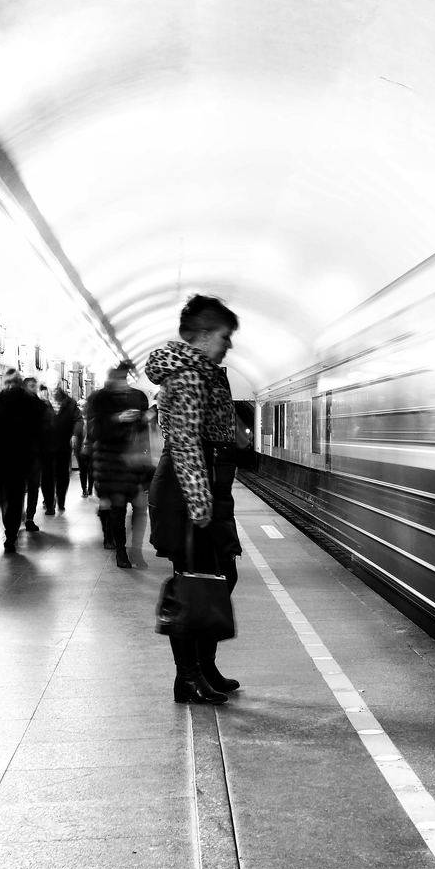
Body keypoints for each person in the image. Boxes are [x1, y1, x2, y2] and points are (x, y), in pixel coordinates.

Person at [146, 294, 254, 704]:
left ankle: (204, 668)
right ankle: (188, 678)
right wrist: (199, 504)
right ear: (205, 335)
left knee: (218, 576)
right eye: (225, 336)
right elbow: (187, 442)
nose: (229, 344)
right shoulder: (190, 376)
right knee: (194, 583)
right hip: (189, 488)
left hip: (200, 485)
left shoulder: (203, 373)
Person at [88, 363, 153, 568]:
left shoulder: (138, 397)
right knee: (117, 508)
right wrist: (117, 418)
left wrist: (144, 418)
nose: (123, 382)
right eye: (119, 378)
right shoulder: (100, 399)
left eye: (125, 378)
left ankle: (136, 550)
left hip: (135, 462)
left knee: (140, 509)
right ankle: (121, 551)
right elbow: (94, 431)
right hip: (111, 464)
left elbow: (143, 432)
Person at [0, 368, 43, 554]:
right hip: (15, 458)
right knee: (13, 497)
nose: (9, 387)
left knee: (10, 497)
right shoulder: (30, 403)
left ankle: (10, 532)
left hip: (10, 459)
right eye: (8, 383)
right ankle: (11, 531)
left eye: (12, 383)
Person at [20, 377, 51, 530]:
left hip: (35, 453)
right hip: (21, 453)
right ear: (24, 387)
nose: (33, 389)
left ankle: (30, 517)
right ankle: (21, 514)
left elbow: (47, 429)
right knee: (20, 487)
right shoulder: (16, 405)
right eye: (30, 386)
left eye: (34, 386)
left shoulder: (41, 406)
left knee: (33, 486)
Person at [46, 385, 81, 514]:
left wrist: (74, 434)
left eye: (56, 387)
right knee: (47, 476)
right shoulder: (44, 403)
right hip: (46, 447)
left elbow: (78, 420)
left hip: (63, 445)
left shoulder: (70, 403)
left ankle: (61, 500)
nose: (54, 390)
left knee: (62, 475)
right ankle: (49, 504)